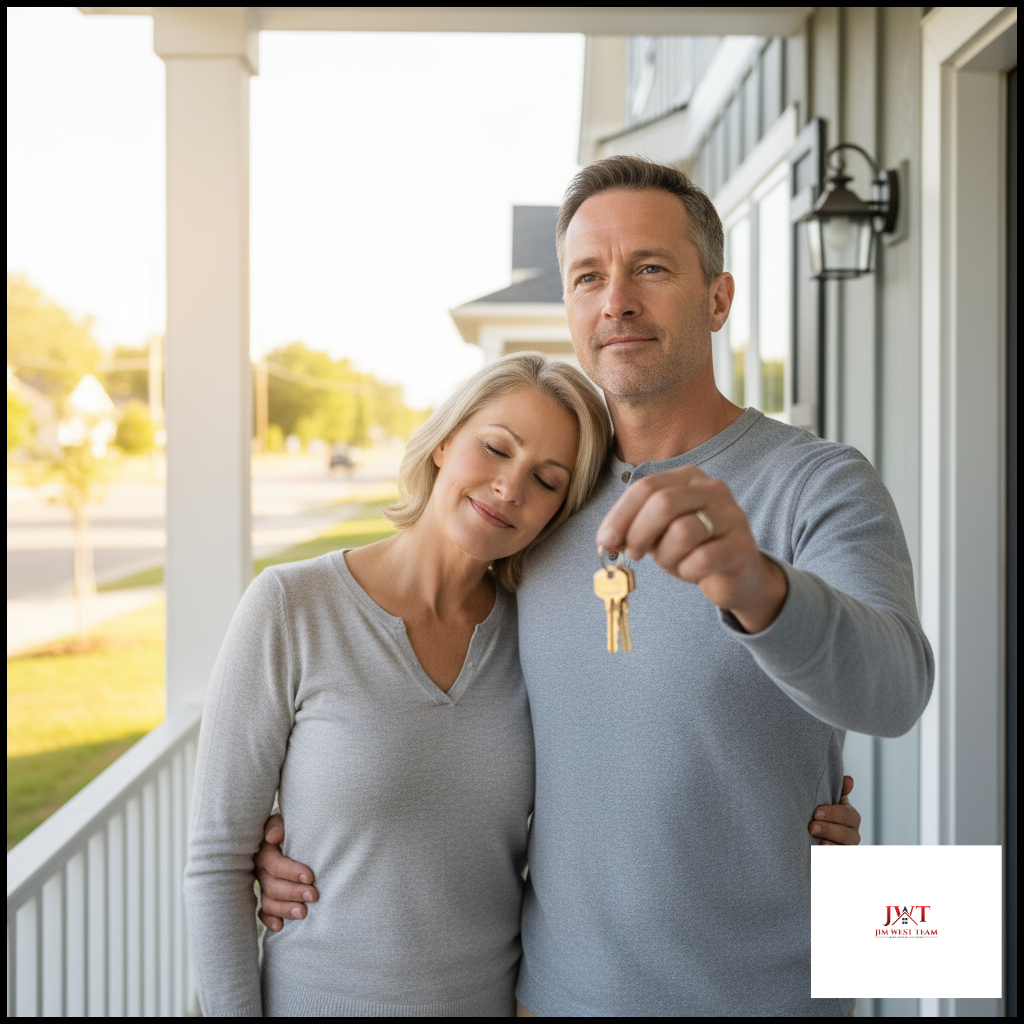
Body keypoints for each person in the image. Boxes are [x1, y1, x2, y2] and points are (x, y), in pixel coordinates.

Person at [258, 156, 921, 1017]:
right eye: (588, 276)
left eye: (650, 267)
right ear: (569, 307)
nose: (617, 300)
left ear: (718, 299)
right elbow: (428, 678)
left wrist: (756, 585)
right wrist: (293, 837)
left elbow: (897, 691)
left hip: (770, 995)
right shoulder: (541, 501)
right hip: (555, 997)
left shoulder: (820, 485)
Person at [184, 353, 612, 1016]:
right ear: (444, 440)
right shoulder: (290, 607)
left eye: (547, 480)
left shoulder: (537, 640)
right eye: (495, 448)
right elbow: (217, 866)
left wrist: (829, 851)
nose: (509, 488)